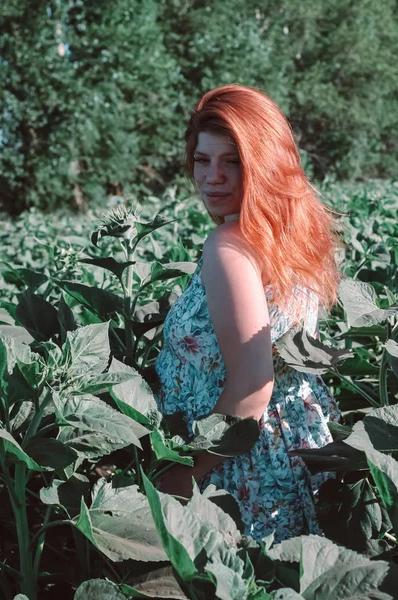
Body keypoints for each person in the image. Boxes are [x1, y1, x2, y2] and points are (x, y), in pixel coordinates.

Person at [154, 84, 341, 543]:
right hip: (294, 445)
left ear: (264, 163)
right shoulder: (292, 235)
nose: (211, 177)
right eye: (202, 160)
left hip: (236, 467)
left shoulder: (227, 247)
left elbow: (252, 390)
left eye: (232, 161)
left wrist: (181, 477)